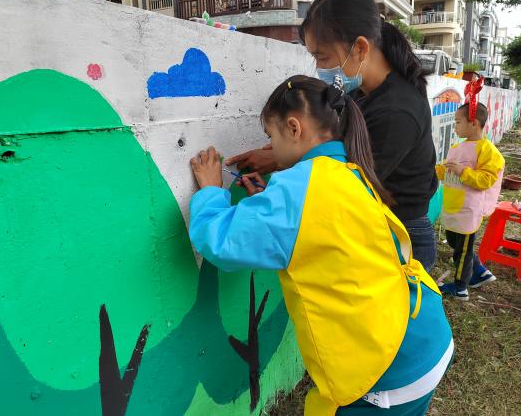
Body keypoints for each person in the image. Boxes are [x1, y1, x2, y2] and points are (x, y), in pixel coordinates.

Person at [189, 76, 453, 415]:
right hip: (422, 335)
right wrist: (269, 205)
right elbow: (318, 228)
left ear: (294, 127)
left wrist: (211, 190)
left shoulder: (296, 190)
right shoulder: (348, 170)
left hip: (386, 368)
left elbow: (220, 241)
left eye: (270, 137)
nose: (270, 147)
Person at [225, 0, 439, 272]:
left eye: (322, 56)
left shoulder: (395, 111)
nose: (319, 68)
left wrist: (281, 164)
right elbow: (335, 147)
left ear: (360, 48)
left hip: (400, 238)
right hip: (376, 226)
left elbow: (346, 187)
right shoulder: (360, 91)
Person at [436, 100, 504, 301]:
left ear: (473, 123)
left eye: (458, 122)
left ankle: (460, 287)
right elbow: (446, 170)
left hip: (468, 209)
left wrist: (463, 171)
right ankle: (480, 273)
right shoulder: (458, 147)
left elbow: (486, 180)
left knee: (462, 252)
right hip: (453, 205)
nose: (455, 126)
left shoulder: (488, 151)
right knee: (456, 243)